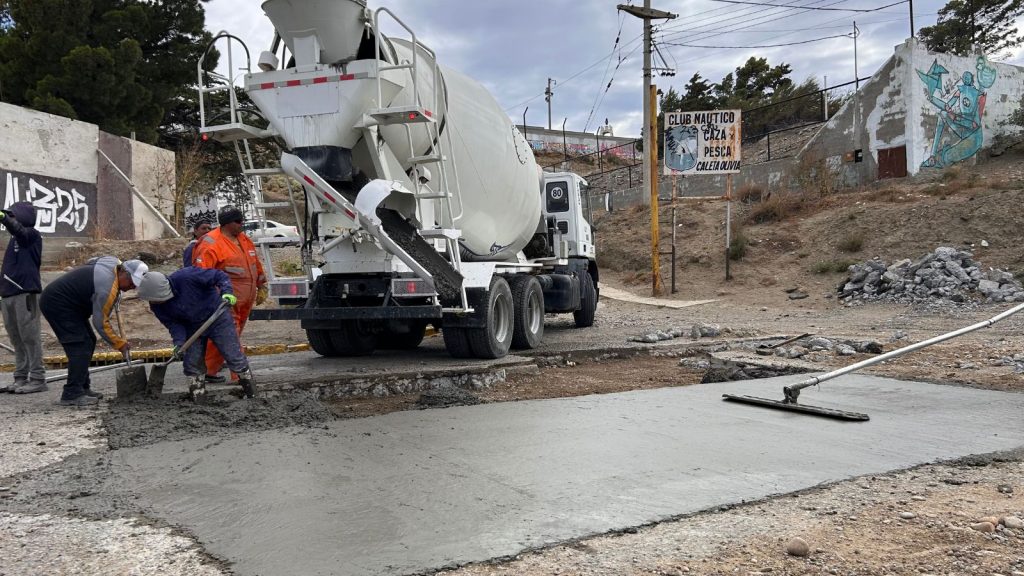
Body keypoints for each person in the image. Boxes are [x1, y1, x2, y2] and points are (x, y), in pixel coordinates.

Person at [39, 256, 148, 406]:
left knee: (89, 340)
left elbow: (92, 261)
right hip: (58, 304)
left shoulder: (114, 262)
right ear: (124, 273)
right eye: (131, 283)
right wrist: (119, 344)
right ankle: (71, 394)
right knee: (80, 346)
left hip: (71, 304)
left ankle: (83, 388)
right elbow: (101, 323)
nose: (132, 288)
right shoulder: (106, 289)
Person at [136, 269, 255, 399]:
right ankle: (198, 397)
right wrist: (179, 343)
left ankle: (251, 392)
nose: (155, 303)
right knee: (192, 363)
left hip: (217, 317)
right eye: (153, 301)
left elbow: (219, 275)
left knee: (233, 355)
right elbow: (174, 325)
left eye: (157, 300)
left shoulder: (188, 277)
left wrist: (227, 292)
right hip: (191, 327)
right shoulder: (157, 307)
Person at [192, 205, 267, 384]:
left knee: (226, 336)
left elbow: (254, 264)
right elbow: (202, 273)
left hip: (245, 299)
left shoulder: (244, 240)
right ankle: (240, 375)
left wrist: (261, 285)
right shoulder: (210, 243)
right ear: (227, 223)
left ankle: (208, 370)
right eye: (238, 221)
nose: (242, 225)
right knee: (230, 336)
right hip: (224, 300)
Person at [0, 202, 45, 394]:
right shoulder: (14, 239)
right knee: (16, 338)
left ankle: (37, 378)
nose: (12, 219)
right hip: (8, 294)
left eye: (14, 216)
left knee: (30, 336)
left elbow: (19, 230)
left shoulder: (32, 235)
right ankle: (20, 377)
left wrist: (3, 217)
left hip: (25, 292)